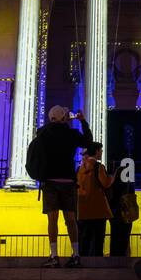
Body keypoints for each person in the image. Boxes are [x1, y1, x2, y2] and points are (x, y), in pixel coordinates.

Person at [29, 105, 93, 268]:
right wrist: (82, 121)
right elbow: (88, 142)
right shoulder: (71, 134)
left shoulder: (43, 134)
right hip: (68, 181)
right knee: (71, 219)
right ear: (64, 118)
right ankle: (76, 254)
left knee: (52, 219)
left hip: (50, 181)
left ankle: (54, 255)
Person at [76, 141, 113, 257]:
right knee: (97, 242)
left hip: (82, 210)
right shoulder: (98, 167)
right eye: (101, 150)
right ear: (96, 151)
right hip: (98, 210)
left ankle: (82, 263)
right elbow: (105, 183)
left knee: (83, 241)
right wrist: (113, 177)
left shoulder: (80, 169)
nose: (102, 152)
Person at [108, 157, 138, 257]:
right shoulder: (129, 186)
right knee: (125, 239)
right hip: (127, 216)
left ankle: (114, 258)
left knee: (115, 239)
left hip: (115, 216)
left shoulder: (112, 186)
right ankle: (124, 257)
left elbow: (110, 200)